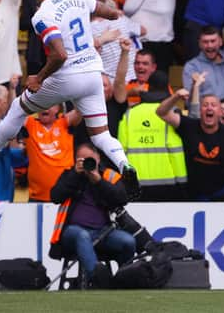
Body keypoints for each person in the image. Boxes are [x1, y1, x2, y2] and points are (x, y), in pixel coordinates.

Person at [0, 0, 141, 199]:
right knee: (100, 134)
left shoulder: (42, 15)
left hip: (67, 76)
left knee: (18, 107)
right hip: (92, 75)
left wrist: (39, 77)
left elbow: (60, 54)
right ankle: (124, 166)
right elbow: (112, 14)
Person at [49, 142, 136, 288]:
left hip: (103, 232)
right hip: (72, 232)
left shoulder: (108, 175)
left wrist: (99, 181)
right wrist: (74, 175)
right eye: (81, 159)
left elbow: (122, 198)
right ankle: (98, 278)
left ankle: (124, 279)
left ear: (98, 158)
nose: (86, 163)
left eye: (89, 159)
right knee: (82, 235)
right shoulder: (70, 174)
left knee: (128, 241)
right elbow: (55, 196)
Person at [156, 90, 224, 201]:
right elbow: (161, 112)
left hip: (221, 193)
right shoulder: (189, 125)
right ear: (200, 111)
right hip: (193, 193)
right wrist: (176, 96)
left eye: (213, 105)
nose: (209, 108)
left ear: (219, 112)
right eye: (205, 105)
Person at [118, 70, 187, 201]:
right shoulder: (172, 114)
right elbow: (176, 150)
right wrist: (182, 182)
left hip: (136, 182)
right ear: (168, 89)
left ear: (148, 87)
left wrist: (125, 181)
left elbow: (122, 150)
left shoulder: (129, 114)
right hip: (167, 183)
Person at [23, 104, 81, 202]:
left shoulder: (64, 122)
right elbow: (14, 115)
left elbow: (80, 109)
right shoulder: (30, 124)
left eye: (50, 104)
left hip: (66, 198)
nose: (45, 107)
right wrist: (12, 89)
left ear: (57, 108)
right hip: (37, 198)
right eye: (41, 103)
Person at [182, 25, 224, 101]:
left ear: (221, 42)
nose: (209, 45)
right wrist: (194, 86)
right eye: (205, 42)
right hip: (205, 111)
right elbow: (189, 101)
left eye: (213, 41)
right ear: (199, 44)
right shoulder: (192, 66)